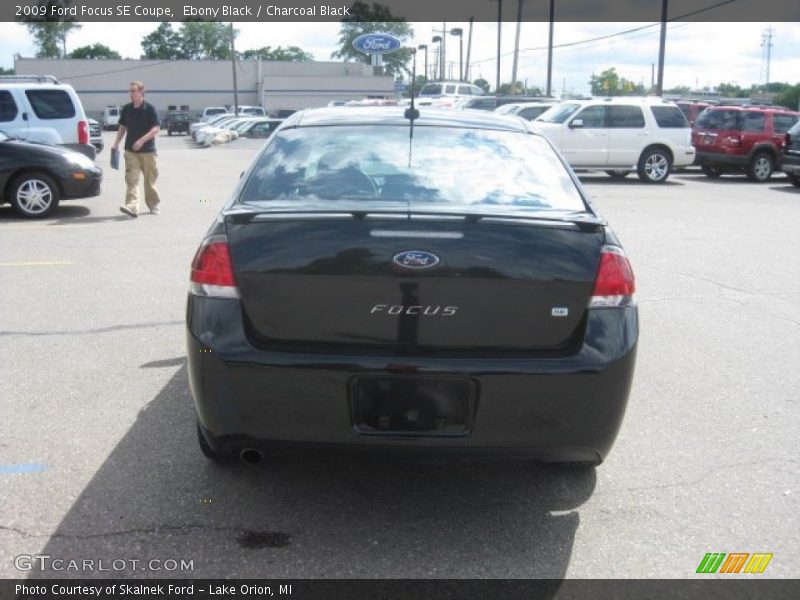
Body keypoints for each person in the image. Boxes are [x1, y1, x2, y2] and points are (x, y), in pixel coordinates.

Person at [112, 81, 162, 217]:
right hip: (130, 151)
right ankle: (132, 206)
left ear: (141, 92)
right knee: (131, 180)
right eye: (130, 91)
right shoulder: (127, 109)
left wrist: (142, 140)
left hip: (148, 151)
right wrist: (116, 143)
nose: (131, 94)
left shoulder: (150, 109)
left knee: (149, 180)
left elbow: (156, 128)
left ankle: (153, 205)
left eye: (133, 91)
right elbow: (122, 127)